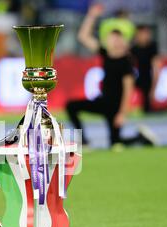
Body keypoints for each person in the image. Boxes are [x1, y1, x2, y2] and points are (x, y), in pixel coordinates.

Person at [66, 4, 156, 148]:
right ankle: (83, 141)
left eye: (118, 38)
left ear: (125, 41)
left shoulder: (127, 62)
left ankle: (141, 138)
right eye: (111, 38)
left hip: (115, 108)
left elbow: (128, 90)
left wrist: (122, 113)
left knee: (115, 143)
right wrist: (92, 15)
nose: (114, 41)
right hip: (103, 102)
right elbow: (83, 36)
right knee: (71, 106)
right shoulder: (106, 54)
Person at [131, 25, 158, 114]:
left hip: (148, 77)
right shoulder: (133, 49)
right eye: (141, 34)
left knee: (147, 104)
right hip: (136, 76)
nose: (144, 36)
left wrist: (153, 87)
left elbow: (156, 66)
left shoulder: (152, 47)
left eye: (146, 34)